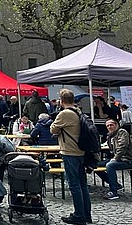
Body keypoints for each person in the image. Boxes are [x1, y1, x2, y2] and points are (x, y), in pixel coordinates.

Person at [50, 88, 91, 225]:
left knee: (74, 185)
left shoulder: (65, 113)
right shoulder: (78, 111)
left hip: (70, 152)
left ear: (61, 101)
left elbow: (53, 129)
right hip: (80, 151)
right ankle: (86, 214)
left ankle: (79, 215)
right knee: (82, 185)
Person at [97, 119, 132, 200]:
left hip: (127, 159)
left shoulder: (122, 132)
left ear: (116, 125)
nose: (109, 127)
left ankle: (113, 192)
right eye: (108, 126)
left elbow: (122, 147)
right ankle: (115, 184)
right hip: (118, 158)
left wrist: (115, 158)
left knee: (110, 165)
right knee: (95, 165)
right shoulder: (110, 135)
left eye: (111, 125)